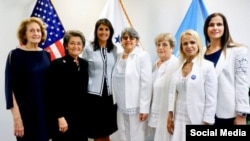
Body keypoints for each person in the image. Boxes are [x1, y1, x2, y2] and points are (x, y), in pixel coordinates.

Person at [4, 17, 50, 141]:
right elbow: (10, 89)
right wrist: (17, 118)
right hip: (26, 114)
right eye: (31, 31)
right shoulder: (15, 55)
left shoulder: (46, 55)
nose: (36, 33)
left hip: (45, 113)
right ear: (24, 34)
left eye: (38, 30)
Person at [167, 29, 218, 141]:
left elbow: (211, 98)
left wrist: (207, 121)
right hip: (178, 118)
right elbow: (172, 93)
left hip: (198, 118)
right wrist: (170, 115)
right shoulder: (177, 66)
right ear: (181, 47)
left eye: (192, 42)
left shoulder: (207, 67)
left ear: (198, 44)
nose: (189, 46)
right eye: (185, 43)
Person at [203, 12, 250, 125]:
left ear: (225, 28)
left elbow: (242, 83)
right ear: (206, 29)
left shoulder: (239, 51)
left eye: (219, 24)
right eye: (211, 25)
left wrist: (241, 114)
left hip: (227, 114)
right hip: (203, 113)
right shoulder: (200, 52)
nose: (215, 28)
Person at [46, 30, 89, 141]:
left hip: (82, 118)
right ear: (66, 45)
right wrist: (60, 117)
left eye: (79, 43)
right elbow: (52, 93)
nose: (76, 46)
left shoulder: (85, 64)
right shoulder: (57, 64)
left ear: (83, 46)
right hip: (64, 118)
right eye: (72, 43)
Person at [112, 27, 153, 141]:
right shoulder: (119, 56)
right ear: (121, 40)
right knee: (123, 134)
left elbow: (146, 83)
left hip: (135, 105)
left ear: (137, 40)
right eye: (125, 38)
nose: (128, 40)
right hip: (120, 104)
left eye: (131, 37)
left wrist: (144, 108)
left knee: (136, 136)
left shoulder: (142, 56)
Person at [82, 18, 118, 141]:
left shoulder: (114, 49)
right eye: (101, 29)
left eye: (106, 29)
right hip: (93, 96)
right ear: (96, 31)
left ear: (110, 32)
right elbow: (83, 70)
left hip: (109, 96)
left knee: (107, 130)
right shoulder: (89, 48)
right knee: (97, 131)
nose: (103, 32)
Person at [147, 33, 179, 141]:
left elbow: (176, 94)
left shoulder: (177, 65)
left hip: (168, 115)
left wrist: (172, 116)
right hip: (154, 112)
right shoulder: (154, 64)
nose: (160, 47)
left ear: (172, 48)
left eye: (164, 44)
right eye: (158, 44)